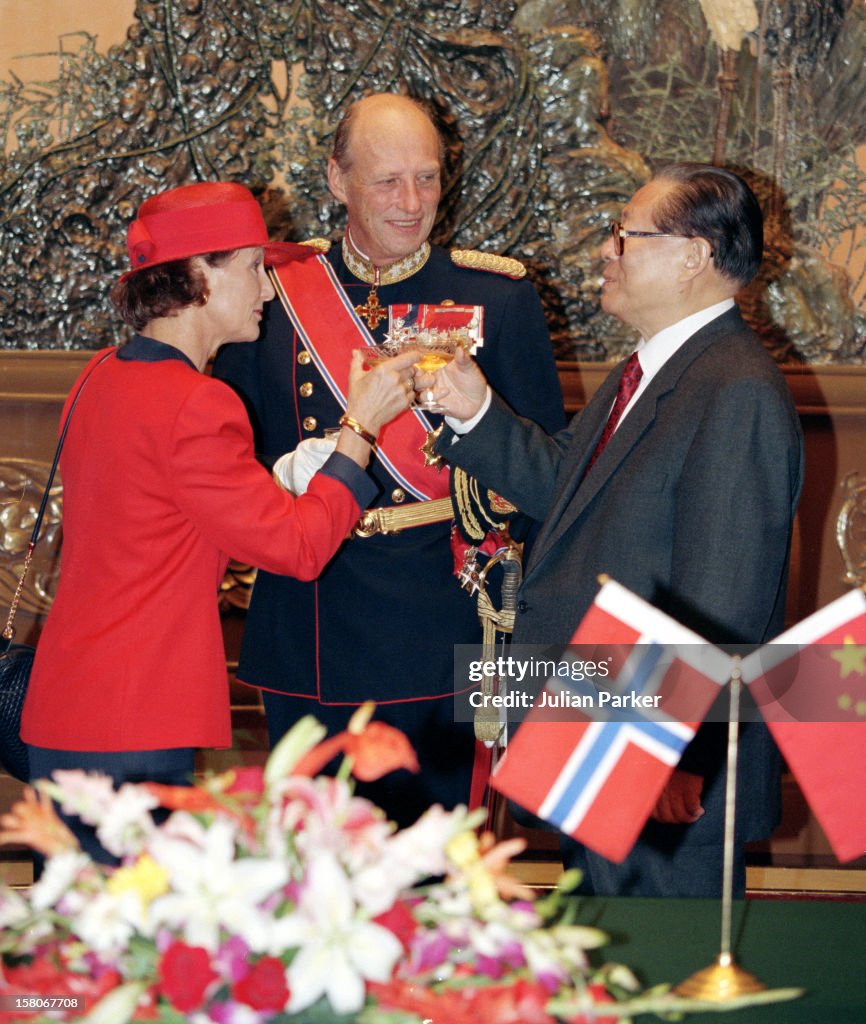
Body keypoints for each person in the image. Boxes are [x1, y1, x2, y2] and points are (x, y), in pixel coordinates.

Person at [416, 163, 804, 897]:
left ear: (695, 256)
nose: (606, 251)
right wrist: (475, 411)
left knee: (666, 982)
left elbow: (721, 602)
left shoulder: (736, 389)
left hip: (656, 764)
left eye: (627, 237)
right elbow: (568, 488)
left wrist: (669, 760)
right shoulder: (658, 369)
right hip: (598, 734)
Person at [20, 181, 417, 859]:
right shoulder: (198, 405)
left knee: (88, 945)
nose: (267, 290)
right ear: (200, 275)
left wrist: (287, 478)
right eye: (255, 268)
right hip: (131, 722)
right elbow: (298, 548)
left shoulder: (99, 376)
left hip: (65, 706)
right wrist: (360, 427)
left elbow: (158, 519)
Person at [212, 93, 565, 827]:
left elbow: (545, 479)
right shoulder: (269, 298)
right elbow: (225, 456)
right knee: (311, 869)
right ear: (337, 180)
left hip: (440, 625)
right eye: (387, 181)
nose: (413, 203)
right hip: (307, 617)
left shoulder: (493, 299)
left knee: (433, 873)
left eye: (428, 179)